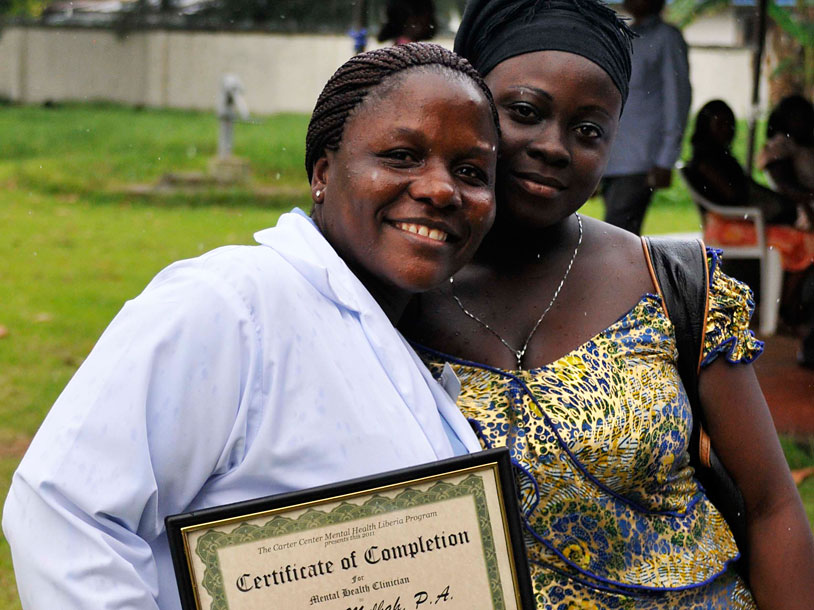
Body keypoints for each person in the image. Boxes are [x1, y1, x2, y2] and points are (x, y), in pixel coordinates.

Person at [2, 43, 500, 609]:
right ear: (323, 172)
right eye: (402, 156)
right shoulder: (232, 304)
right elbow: (64, 512)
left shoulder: (414, 338)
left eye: (471, 172)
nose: (441, 189)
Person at [400, 0, 814, 607]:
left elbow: (772, 504)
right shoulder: (388, 297)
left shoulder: (670, 281)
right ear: (463, 102)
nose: (555, 147)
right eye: (524, 112)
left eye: (589, 130)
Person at [602, 0, 691, 235]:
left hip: (640, 159)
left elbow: (677, 99)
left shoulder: (666, 38)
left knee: (616, 236)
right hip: (611, 155)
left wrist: (666, 158)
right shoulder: (620, 34)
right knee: (612, 234)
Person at [684, 99, 799, 225]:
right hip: (736, 215)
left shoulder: (719, 156)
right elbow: (733, 195)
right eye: (720, 124)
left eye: (728, 124)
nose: (726, 129)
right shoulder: (704, 162)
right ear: (706, 127)